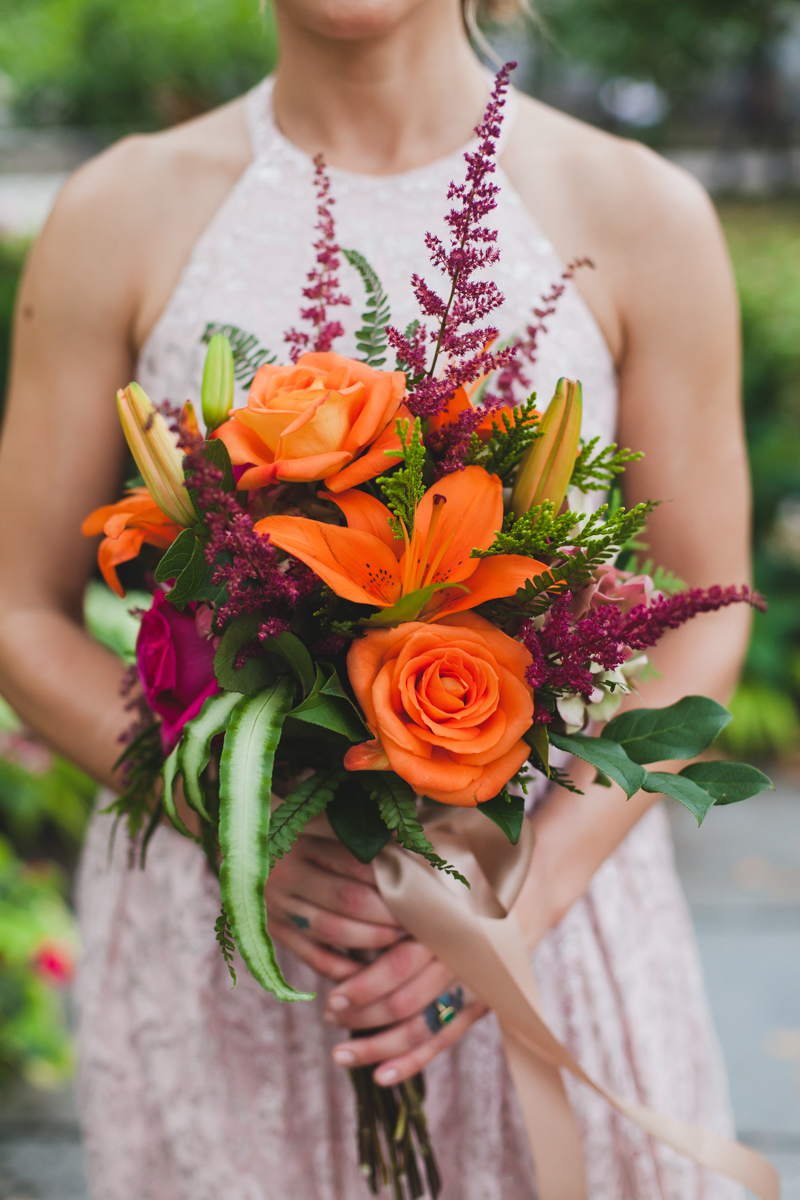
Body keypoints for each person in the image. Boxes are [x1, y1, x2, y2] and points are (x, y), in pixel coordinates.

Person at [0, 0, 751, 1196]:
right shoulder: (118, 211)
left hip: (545, 924)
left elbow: (704, 610)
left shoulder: (639, 211)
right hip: (230, 952)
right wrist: (239, 830)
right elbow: (19, 609)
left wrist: (512, 906)